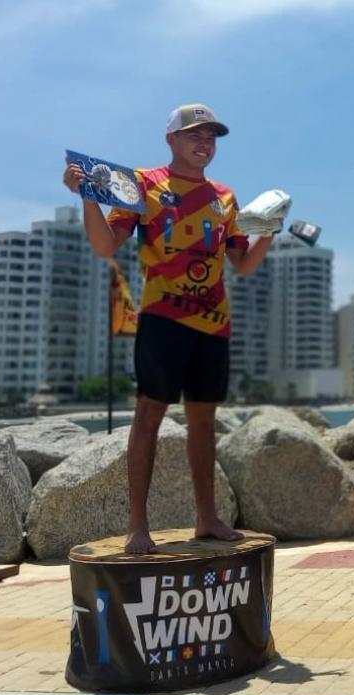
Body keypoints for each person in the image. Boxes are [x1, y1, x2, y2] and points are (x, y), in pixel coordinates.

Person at [62, 103, 273, 553]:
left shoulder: (225, 197)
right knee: (148, 418)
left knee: (203, 422)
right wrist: (87, 197)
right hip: (162, 318)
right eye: (195, 135)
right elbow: (105, 245)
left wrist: (268, 234)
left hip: (214, 323)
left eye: (212, 137)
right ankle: (137, 525)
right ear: (171, 139)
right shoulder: (141, 184)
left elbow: (244, 264)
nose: (205, 143)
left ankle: (207, 518)